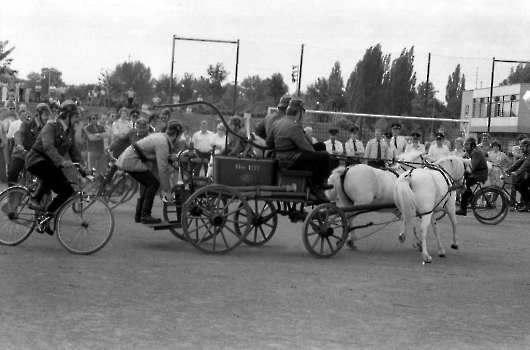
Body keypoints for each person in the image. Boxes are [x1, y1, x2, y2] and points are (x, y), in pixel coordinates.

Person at [25, 101, 86, 230]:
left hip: (51, 164)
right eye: (75, 117)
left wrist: (84, 169)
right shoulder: (51, 126)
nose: (77, 120)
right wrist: (62, 161)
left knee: (68, 191)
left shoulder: (70, 132)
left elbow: (75, 152)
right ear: (67, 115)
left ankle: (44, 217)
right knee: (54, 172)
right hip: (36, 160)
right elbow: (48, 146)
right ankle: (34, 199)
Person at [117, 119, 185, 224]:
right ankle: (145, 215)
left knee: (149, 183)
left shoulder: (160, 137)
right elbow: (162, 169)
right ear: (176, 134)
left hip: (129, 158)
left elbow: (158, 157)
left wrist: (171, 158)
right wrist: (168, 192)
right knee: (153, 184)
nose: (179, 138)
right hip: (131, 160)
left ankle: (139, 214)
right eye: (179, 136)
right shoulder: (162, 143)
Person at [266, 98, 331, 204]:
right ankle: (317, 187)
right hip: (289, 161)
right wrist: (317, 156)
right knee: (324, 156)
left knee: (320, 146)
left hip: (281, 158)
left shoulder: (277, 123)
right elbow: (306, 148)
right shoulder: (295, 126)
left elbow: (269, 142)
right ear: (299, 112)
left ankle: (314, 181)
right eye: (302, 112)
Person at [8, 104, 51, 186]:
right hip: (22, 152)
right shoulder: (27, 123)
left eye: (48, 115)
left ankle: (44, 197)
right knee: (13, 172)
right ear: (38, 114)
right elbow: (19, 134)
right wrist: (19, 145)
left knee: (46, 177)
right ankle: (11, 194)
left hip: (37, 155)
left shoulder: (48, 127)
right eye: (46, 115)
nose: (47, 118)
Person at [456, 137, 489, 216]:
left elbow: (473, 167)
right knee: (465, 185)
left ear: (472, 145)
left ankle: (463, 209)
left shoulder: (476, 152)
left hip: (480, 174)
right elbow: (463, 159)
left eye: (467, 144)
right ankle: (472, 198)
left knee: (464, 187)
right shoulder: (470, 151)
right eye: (465, 144)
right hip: (476, 172)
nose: (465, 146)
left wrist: (465, 170)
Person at [506, 139, 530, 211]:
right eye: (520, 146)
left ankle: (528, 204)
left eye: (523, 147)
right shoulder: (525, 154)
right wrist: (509, 170)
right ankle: (528, 202)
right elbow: (518, 163)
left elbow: (525, 165)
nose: (521, 148)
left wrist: (517, 172)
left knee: (523, 185)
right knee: (517, 184)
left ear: (528, 146)